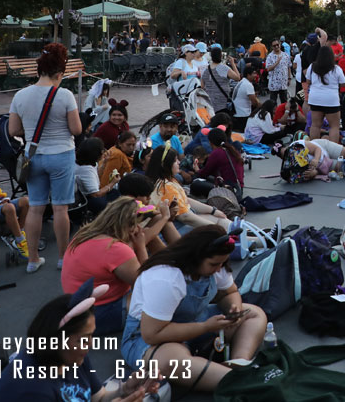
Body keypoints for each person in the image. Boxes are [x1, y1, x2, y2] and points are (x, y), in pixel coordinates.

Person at [120, 227, 268, 392]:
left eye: (221, 263)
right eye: (214, 264)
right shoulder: (167, 278)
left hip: (198, 321)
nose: (219, 269)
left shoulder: (215, 265)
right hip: (148, 338)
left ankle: (238, 363)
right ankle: (241, 382)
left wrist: (235, 308)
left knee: (253, 314)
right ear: (196, 258)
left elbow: (230, 292)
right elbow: (151, 334)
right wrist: (205, 327)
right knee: (171, 362)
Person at [0, 280, 161, 401]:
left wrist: (125, 390)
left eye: (91, 335)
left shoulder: (73, 358)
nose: (90, 344)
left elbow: (97, 398)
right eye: (84, 339)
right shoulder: (32, 390)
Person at [7, 43, 83, 274]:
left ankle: (33, 259)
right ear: (59, 73)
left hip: (34, 156)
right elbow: (76, 129)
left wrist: (30, 131)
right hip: (61, 154)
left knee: (36, 208)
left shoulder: (20, 96)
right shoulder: (65, 95)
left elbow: (13, 130)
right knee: (61, 209)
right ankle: (62, 258)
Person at [62, 197, 153, 335]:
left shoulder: (84, 234)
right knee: (155, 300)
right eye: (136, 224)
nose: (138, 228)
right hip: (98, 314)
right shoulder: (115, 249)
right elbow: (146, 283)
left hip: (78, 308)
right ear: (128, 226)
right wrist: (141, 247)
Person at [147, 145, 231, 228]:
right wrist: (215, 227)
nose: (179, 162)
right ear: (165, 165)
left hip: (184, 220)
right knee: (221, 223)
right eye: (175, 160)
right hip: (178, 226)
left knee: (220, 219)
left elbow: (186, 200)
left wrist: (213, 211)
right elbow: (184, 217)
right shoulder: (165, 186)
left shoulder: (168, 181)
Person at [306, 45, 345, 141]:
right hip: (331, 100)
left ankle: (314, 148)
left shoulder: (312, 67)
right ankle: (333, 151)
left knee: (315, 125)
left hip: (315, 99)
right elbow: (343, 83)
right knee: (334, 127)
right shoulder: (336, 69)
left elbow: (308, 81)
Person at [74, 137, 121, 214]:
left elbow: (96, 175)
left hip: (89, 196)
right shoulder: (86, 170)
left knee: (115, 193)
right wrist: (112, 183)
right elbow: (96, 194)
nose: (104, 152)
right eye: (102, 150)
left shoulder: (87, 162)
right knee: (115, 199)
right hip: (88, 200)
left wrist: (105, 162)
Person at [198, 128, 245, 196]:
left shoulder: (217, 153)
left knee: (196, 184)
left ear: (211, 142)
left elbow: (204, 174)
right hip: (239, 189)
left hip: (228, 190)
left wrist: (197, 170)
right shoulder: (232, 150)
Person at [204, 46, 240, 115]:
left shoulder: (206, 69)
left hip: (210, 103)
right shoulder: (224, 68)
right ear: (221, 56)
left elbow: (202, 86)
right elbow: (237, 77)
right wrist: (232, 63)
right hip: (222, 103)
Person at [232, 65, 260, 133]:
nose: (256, 75)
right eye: (254, 73)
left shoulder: (242, 82)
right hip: (243, 115)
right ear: (248, 75)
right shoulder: (248, 85)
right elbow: (254, 102)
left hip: (236, 113)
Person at [265, 39, 291, 104]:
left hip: (283, 82)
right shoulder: (270, 56)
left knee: (284, 101)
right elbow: (268, 68)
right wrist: (277, 62)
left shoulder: (286, 55)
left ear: (280, 45)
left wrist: (289, 78)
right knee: (273, 102)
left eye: (277, 45)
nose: (276, 47)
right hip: (274, 83)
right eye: (274, 46)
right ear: (272, 47)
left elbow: (288, 67)